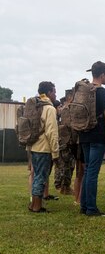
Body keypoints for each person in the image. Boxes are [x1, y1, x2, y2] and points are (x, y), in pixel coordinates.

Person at [79, 61, 105, 217]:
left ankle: (84, 206)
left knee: (87, 171)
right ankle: (91, 208)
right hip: (97, 135)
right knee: (92, 172)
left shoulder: (84, 91)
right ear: (102, 74)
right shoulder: (102, 92)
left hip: (83, 133)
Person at [28, 81, 60, 213]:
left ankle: (33, 204)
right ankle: (36, 206)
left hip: (34, 146)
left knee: (37, 176)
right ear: (49, 93)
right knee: (41, 177)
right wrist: (56, 152)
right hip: (44, 148)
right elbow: (52, 132)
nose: (55, 94)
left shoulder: (36, 105)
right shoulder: (50, 109)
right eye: (54, 91)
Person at [54, 95, 75, 195]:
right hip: (64, 143)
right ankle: (63, 187)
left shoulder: (61, 113)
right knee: (65, 165)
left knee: (62, 165)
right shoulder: (65, 111)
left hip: (63, 142)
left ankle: (61, 186)